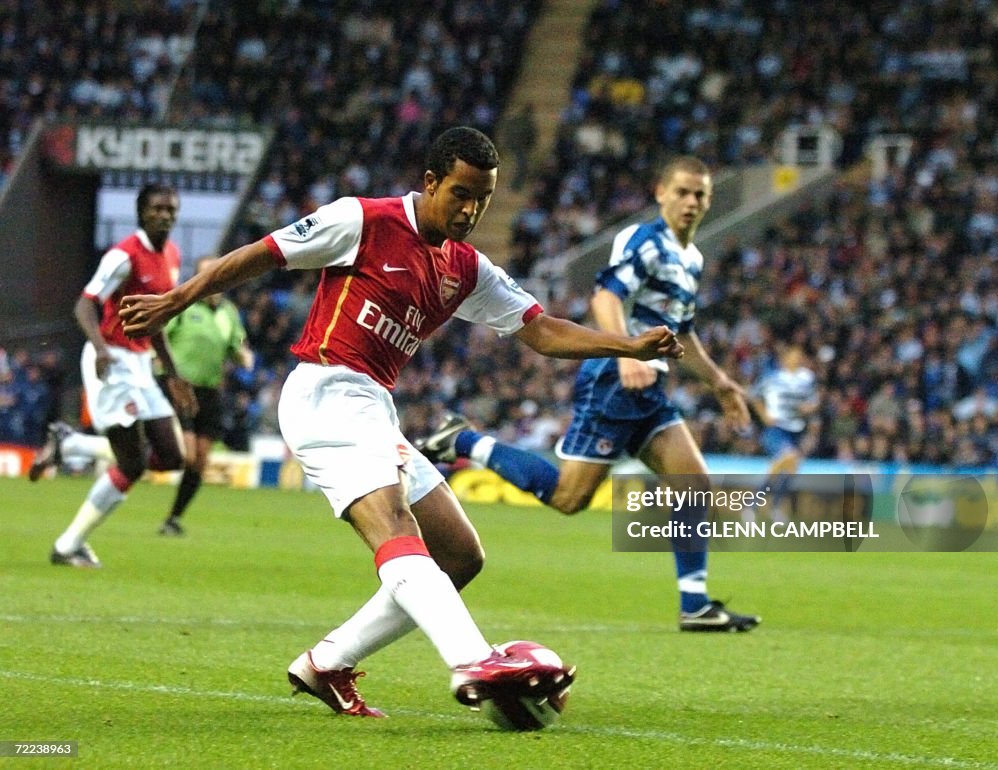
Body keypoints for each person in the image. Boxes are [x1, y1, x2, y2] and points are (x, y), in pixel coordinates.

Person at [118, 127, 682, 716]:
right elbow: (263, 254)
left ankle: (325, 664)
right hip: (325, 390)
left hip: (371, 407)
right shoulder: (361, 220)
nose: (470, 209)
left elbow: (540, 329)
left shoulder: (466, 267)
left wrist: (627, 347)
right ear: (431, 182)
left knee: (461, 554)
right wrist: (177, 298)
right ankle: (472, 659)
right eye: (460, 193)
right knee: (394, 522)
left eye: (482, 198)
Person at [418, 155, 761, 632]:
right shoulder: (645, 242)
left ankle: (695, 606)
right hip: (614, 379)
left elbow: (684, 330)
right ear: (661, 192)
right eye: (682, 192)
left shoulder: (690, 258)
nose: (690, 202)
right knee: (568, 498)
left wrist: (721, 383)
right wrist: (625, 354)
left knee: (692, 485)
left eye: (699, 195)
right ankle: (464, 440)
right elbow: (606, 296)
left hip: (650, 384)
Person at [36, 183, 197, 568]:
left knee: (173, 457)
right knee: (132, 465)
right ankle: (68, 545)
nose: (165, 216)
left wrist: (172, 375)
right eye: (158, 209)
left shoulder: (171, 255)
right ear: (141, 212)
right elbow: (84, 305)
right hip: (111, 359)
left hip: (142, 364)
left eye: (171, 209)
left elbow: (154, 321)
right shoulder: (123, 256)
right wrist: (102, 348)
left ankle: (71, 445)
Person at [157, 257, 254, 536]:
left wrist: (243, 355)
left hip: (211, 392)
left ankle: (173, 518)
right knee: (187, 455)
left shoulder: (229, 313)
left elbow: (236, 345)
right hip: (180, 387)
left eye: (219, 273)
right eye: (208, 273)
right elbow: (161, 337)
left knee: (200, 460)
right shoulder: (183, 306)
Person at [749, 344, 819, 522]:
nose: (797, 359)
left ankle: (772, 507)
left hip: (797, 429)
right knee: (789, 457)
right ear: (785, 359)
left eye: (799, 356)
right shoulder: (772, 377)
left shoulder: (807, 378)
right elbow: (754, 395)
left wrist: (808, 409)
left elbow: (813, 402)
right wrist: (764, 415)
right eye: (794, 355)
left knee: (789, 469)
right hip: (776, 429)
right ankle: (753, 505)